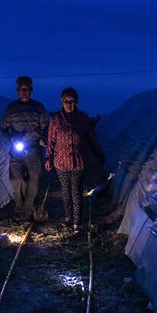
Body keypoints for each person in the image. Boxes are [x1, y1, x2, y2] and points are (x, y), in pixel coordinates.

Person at [45, 87, 105, 232]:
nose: (69, 104)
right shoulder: (56, 119)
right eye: (66, 101)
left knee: (76, 191)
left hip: (78, 161)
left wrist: (98, 154)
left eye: (72, 101)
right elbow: (51, 140)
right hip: (61, 161)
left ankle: (77, 222)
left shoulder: (82, 118)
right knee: (66, 191)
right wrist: (48, 157)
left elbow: (91, 138)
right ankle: (68, 217)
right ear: (62, 101)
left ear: (76, 101)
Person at [0, 76, 48, 221]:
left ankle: (28, 210)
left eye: (27, 89)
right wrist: (11, 138)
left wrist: (43, 138)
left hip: (33, 148)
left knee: (34, 178)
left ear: (31, 90)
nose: (24, 91)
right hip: (16, 149)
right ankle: (19, 207)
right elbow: (3, 127)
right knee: (17, 179)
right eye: (22, 89)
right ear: (17, 90)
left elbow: (45, 127)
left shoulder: (38, 107)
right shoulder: (11, 108)